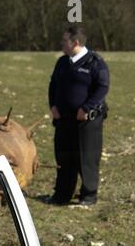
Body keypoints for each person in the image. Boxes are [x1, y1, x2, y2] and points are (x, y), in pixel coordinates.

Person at [47, 26, 109, 206]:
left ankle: (88, 196)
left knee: (86, 158)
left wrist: (87, 108)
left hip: (87, 121)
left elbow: (102, 88)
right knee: (64, 157)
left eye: (64, 41)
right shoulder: (62, 62)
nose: (61, 44)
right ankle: (62, 195)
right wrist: (53, 106)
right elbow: (53, 85)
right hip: (63, 119)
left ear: (76, 43)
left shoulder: (96, 63)